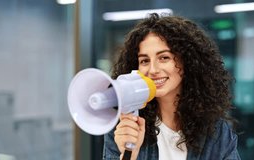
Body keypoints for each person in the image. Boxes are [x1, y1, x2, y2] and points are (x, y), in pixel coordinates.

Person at [103, 13, 241, 160]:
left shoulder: (216, 131)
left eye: (164, 58)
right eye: (144, 61)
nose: (153, 70)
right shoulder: (125, 128)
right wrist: (129, 154)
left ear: (187, 61)